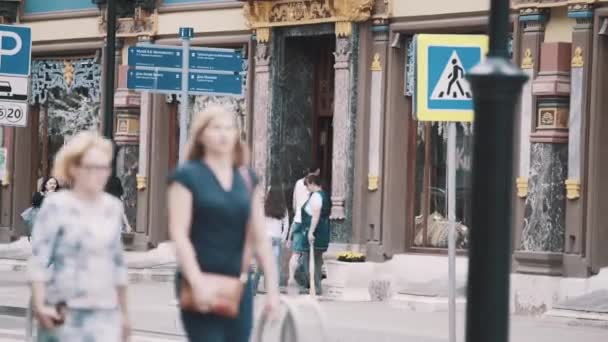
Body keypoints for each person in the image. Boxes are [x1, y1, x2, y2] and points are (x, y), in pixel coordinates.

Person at [167, 105, 279, 342]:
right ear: (201, 135)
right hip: (198, 280)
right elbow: (179, 235)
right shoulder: (187, 177)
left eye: (229, 128)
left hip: (237, 283)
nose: (224, 134)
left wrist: (272, 290)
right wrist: (196, 281)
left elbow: (260, 237)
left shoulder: (247, 178)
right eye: (216, 128)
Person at [28, 131, 130, 342]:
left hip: (104, 309)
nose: (99, 173)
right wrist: (39, 304)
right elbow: (39, 259)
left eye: (104, 168)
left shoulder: (112, 207)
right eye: (91, 167)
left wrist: (125, 315)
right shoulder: (56, 205)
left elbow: (117, 264)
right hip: (62, 309)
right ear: (73, 168)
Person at [293, 174, 331, 295]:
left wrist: (311, 232)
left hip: (314, 231)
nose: (307, 188)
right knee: (317, 261)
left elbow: (315, 215)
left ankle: (313, 286)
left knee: (307, 261)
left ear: (312, 183)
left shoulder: (316, 196)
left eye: (307, 185)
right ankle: (316, 286)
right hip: (321, 231)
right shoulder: (323, 195)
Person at [286, 167, 320, 287]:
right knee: (307, 253)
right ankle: (309, 282)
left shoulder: (298, 183)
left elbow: (295, 203)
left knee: (296, 253)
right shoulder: (311, 186)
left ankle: (292, 277)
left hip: (297, 220)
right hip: (307, 221)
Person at [252, 186, 289, 294]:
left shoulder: (263, 207)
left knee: (260, 265)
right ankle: (273, 290)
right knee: (275, 266)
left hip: (265, 239)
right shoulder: (283, 208)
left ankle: (254, 288)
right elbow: (286, 225)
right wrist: (282, 238)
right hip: (277, 239)